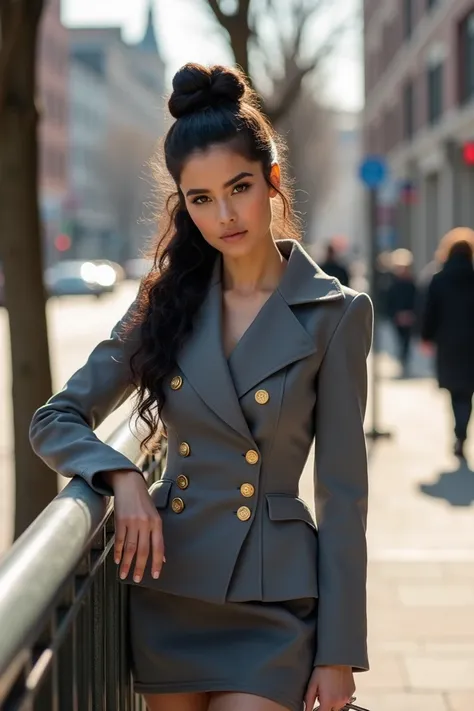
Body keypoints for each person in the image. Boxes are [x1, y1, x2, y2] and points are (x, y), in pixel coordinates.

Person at [29, 64, 373, 711]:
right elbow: (57, 416)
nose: (224, 214)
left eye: (238, 187)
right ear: (182, 205)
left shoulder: (336, 312)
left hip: (274, 601)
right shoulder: (165, 304)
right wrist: (120, 477)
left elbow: (344, 495)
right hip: (172, 586)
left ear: (272, 180)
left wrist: (338, 651)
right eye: (200, 197)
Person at [420, 227, 474, 459]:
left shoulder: (439, 279)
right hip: (472, 343)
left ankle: (458, 434)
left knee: (455, 391)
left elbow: (429, 311)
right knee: (468, 391)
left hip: (448, 343)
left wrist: (426, 337)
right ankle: (462, 433)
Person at [385, 249, 418, 376]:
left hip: (409, 317)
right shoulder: (392, 284)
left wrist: (411, 314)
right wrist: (396, 315)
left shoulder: (411, 283)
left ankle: (405, 363)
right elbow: (389, 302)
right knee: (399, 341)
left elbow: (416, 301)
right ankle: (402, 362)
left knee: (407, 342)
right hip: (398, 318)